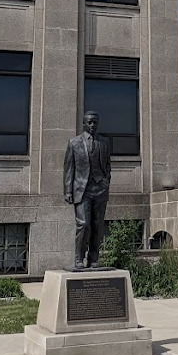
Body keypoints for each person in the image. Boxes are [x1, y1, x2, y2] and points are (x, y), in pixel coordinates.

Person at [64, 110, 112, 269]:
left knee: (98, 225)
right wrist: (68, 191)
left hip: (100, 189)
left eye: (95, 122)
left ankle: (93, 259)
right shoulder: (74, 143)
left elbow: (107, 166)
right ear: (84, 123)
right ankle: (79, 258)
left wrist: (106, 181)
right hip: (81, 189)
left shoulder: (104, 142)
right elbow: (69, 169)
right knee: (83, 224)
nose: (92, 125)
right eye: (89, 122)